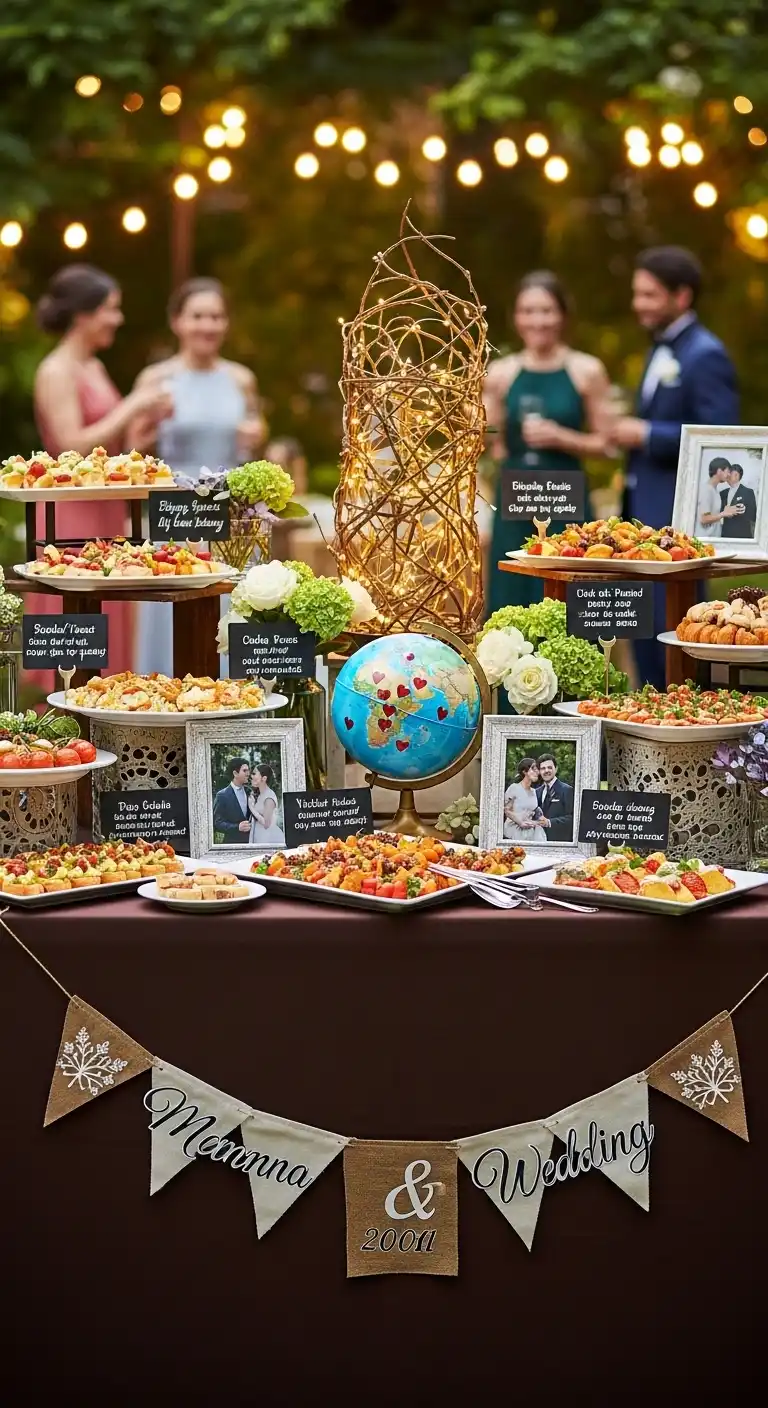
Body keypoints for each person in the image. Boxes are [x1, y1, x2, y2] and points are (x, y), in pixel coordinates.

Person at [30, 264, 172, 688]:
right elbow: (69, 445)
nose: (119, 318)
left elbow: (108, 450)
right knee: (75, 613)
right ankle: (60, 719)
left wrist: (145, 425)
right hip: (70, 515)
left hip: (106, 512)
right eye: (111, 309)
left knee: (109, 610)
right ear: (82, 315)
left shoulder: (93, 367)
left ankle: (109, 708)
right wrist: (133, 403)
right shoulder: (56, 370)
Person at [612, 247, 739, 686]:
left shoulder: (705, 354)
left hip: (677, 522)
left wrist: (644, 434)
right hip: (647, 516)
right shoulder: (662, 349)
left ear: (681, 296)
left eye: (649, 295)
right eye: (636, 294)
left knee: (672, 638)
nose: (638, 304)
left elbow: (722, 438)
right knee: (645, 634)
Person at [131, 276, 266, 674]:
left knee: (230, 602)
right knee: (175, 605)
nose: (208, 326)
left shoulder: (241, 379)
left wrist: (256, 437)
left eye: (217, 316)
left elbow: (254, 442)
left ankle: (232, 703)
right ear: (177, 322)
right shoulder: (156, 379)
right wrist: (150, 425)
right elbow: (134, 453)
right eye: (198, 316)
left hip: (231, 508)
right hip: (175, 507)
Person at [483, 270, 614, 617]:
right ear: (516, 317)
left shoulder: (586, 370)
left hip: (565, 492)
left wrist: (561, 437)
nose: (537, 320)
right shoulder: (501, 373)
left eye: (546, 310)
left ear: (562, 316)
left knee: (566, 589)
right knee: (512, 590)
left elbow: (607, 443)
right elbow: (485, 439)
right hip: (517, 494)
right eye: (528, 311)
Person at [503, 758, 549, 844]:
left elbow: (534, 810)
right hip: (515, 828)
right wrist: (520, 822)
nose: (537, 772)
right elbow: (507, 810)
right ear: (525, 771)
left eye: (537, 769)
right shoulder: (514, 788)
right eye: (533, 768)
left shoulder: (534, 791)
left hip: (530, 828)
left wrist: (542, 819)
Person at [213, 757, 253, 844]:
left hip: (251, 842)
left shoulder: (249, 791)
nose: (248, 773)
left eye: (248, 770)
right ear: (235, 773)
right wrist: (237, 827)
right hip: (232, 844)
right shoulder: (222, 795)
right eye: (245, 771)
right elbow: (217, 823)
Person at [535, 754, 574, 844]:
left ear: (556, 769)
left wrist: (549, 822)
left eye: (549, 767)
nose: (546, 771)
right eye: (543, 768)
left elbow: (572, 818)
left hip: (559, 843)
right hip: (539, 841)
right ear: (539, 771)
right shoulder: (537, 792)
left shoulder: (567, 790)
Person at [248, 764, 285, 846]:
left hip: (268, 838)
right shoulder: (260, 794)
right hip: (259, 836)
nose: (251, 776)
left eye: (254, 774)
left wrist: (252, 808)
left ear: (264, 778)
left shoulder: (269, 797)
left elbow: (266, 824)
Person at [698, 458, 732, 538]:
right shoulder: (706, 490)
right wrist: (723, 514)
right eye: (728, 472)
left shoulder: (715, 491)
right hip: (705, 540)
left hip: (712, 539)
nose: (729, 475)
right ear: (719, 471)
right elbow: (704, 519)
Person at [720, 464, 756, 540]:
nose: (727, 476)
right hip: (725, 535)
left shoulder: (748, 492)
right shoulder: (722, 493)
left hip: (742, 536)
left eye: (730, 473)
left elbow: (753, 515)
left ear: (736, 475)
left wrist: (741, 511)